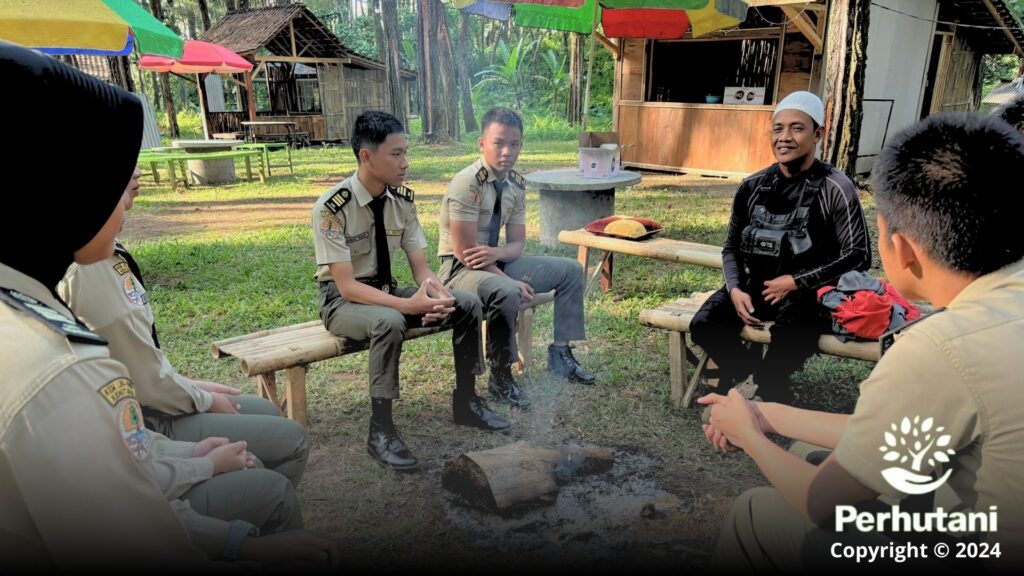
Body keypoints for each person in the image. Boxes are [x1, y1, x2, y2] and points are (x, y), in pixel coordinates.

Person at [0, 43, 338, 570]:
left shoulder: (25, 305)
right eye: (109, 174)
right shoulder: (57, 371)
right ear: (61, 192)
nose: (126, 187)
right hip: (158, 425)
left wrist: (194, 451)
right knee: (273, 476)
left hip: (161, 440)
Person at [700, 112, 1024, 571]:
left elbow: (824, 503)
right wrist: (767, 414)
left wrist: (749, 435)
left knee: (757, 511)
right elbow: (896, 436)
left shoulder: (937, 348)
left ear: (902, 246)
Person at [59, 166, 310, 487]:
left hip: (152, 402)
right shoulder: (88, 268)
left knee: (266, 412)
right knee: (290, 440)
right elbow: (142, 385)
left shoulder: (105, 250)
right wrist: (204, 398)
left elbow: (135, 362)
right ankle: (259, 504)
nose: (137, 172)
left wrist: (194, 385)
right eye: (124, 160)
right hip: (146, 419)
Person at [312, 111, 510, 473]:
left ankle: (467, 400)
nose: (405, 163)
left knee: (465, 303)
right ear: (366, 156)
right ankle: (381, 431)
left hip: (387, 292)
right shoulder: (332, 207)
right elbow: (346, 285)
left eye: (406, 153)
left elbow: (421, 269)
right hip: (342, 302)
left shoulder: (402, 201)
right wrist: (409, 304)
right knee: (388, 321)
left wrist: (437, 295)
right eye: (396, 154)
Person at [689, 91, 872, 404]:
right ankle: (760, 382)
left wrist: (797, 282)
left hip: (812, 293)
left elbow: (858, 255)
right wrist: (735, 289)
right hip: (756, 286)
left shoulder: (836, 187)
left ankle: (757, 388)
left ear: (818, 134)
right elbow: (731, 248)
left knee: (793, 330)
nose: (784, 137)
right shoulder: (752, 186)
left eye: (797, 128)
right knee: (704, 324)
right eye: (778, 128)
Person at [437, 107, 593, 410]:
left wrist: (498, 255)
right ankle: (501, 376)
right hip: (458, 270)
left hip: (495, 263)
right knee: (507, 291)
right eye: (499, 143)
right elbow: (465, 252)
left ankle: (560, 354)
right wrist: (508, 278)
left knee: (571, 270)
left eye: (514, 144)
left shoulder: (515, 184)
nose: (507, 151)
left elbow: (518, 244)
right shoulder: (467, 183)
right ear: (482, 143)